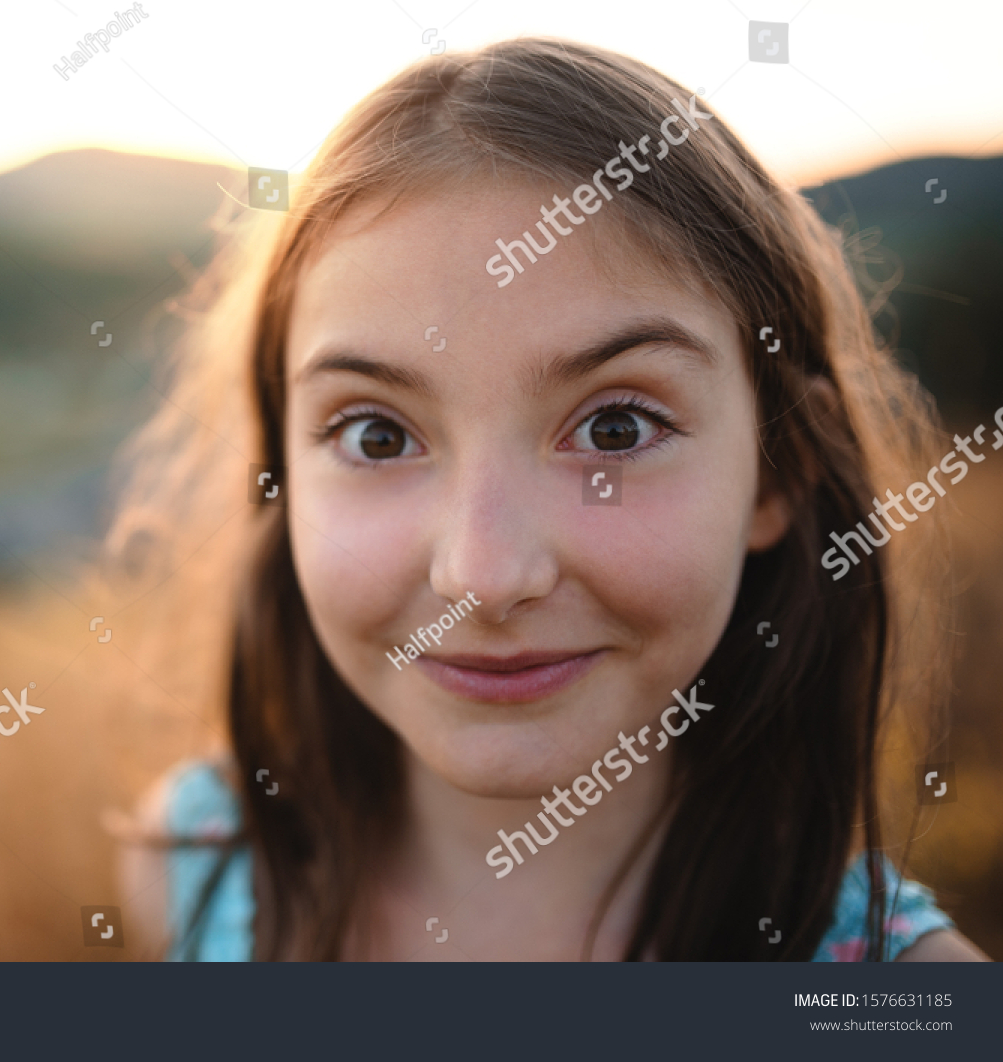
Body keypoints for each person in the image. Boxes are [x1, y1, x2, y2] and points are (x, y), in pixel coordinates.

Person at [108, 38, 988, 961]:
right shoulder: (199, 865)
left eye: (615, 430)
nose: (485, 575)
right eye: (377, 435)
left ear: (778, 470)